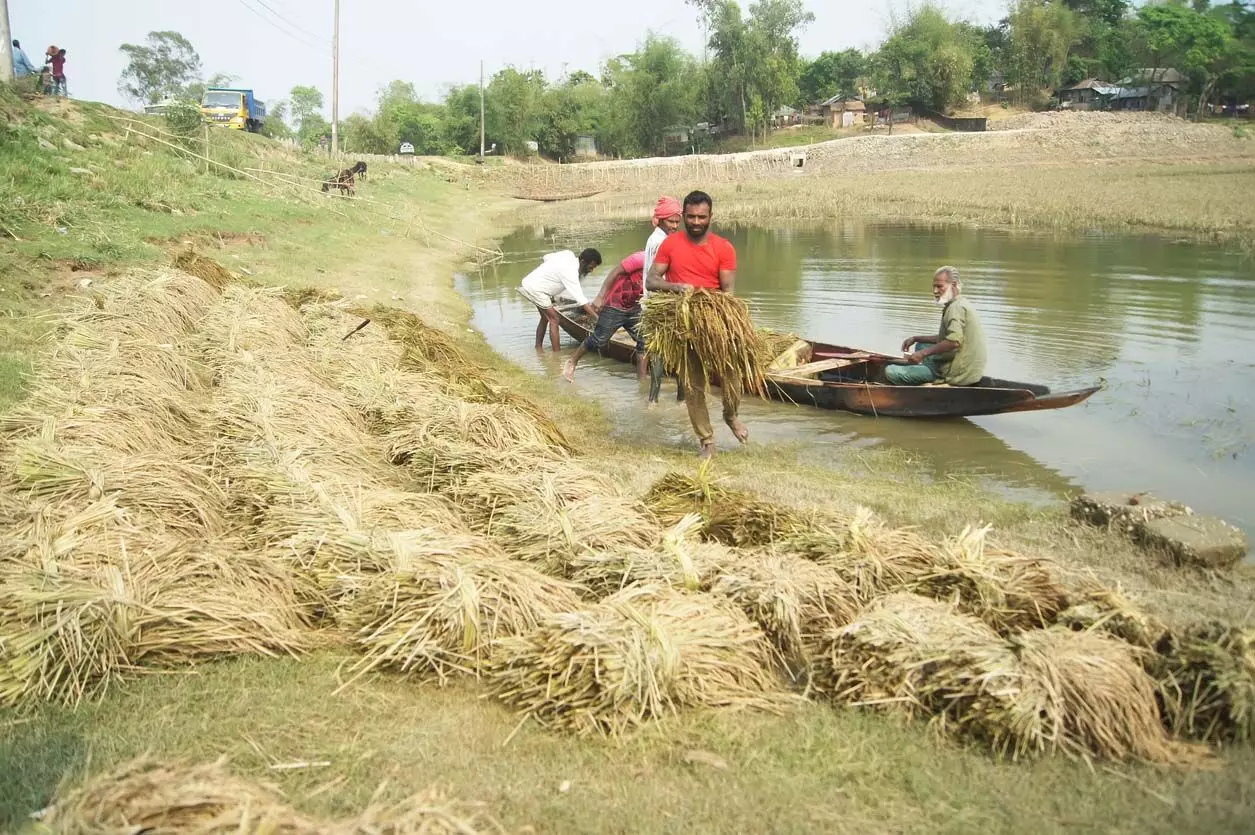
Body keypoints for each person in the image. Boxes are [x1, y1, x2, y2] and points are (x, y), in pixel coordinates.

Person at [646, 190, 747, 458]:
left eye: (701, 217)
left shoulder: (724, 248)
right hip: (682, 320)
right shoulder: (670, 244)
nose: (695, 222)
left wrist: (717, 319)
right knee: (693, 385)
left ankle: (731, 414)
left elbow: (728, 293)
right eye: (690, 217)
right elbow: (651, 281)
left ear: (710, 217)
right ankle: (707, 440)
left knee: (733, 375)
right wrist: (676, 287)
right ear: (683, 216)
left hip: (714, 319)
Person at [887, 265, 987, 386]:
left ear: (953, 285)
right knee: (921, 345)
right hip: (967, 367)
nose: (935, 291)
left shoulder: (955, 309)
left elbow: (954, 342)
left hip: (957, 373)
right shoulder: (961, 302)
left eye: (939, 286)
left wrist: (922, 354)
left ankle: (929, 380)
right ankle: (925, 371)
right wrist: (916, 338)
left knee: (890, 371)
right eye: (934, 286)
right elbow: (946, 337)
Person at [563, 250, 647, 382]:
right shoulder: (642, 258)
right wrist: (600, 297)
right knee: (598, 340)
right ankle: (572, 362)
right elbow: (615, 272)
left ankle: (642, 381)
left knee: (645, 342)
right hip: (615, 304)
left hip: (634, 306)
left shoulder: (662, 265)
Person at [643, 195, 684, 406]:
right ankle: (681, 399)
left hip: (654, 302)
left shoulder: (654, 238)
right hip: (663, 303)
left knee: (658, 351)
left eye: (678, 221)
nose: (675, 226)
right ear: (660, 220)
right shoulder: (662, 241)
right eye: (671, 221)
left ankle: (653, 401)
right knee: (679, 352)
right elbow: (662, 276)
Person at [518, 248, 602, 351]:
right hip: (536, 290)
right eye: (590, 267)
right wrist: (598, 320)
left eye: (594, 268)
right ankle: (556, 356)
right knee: (554, 319)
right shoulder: (570, 272)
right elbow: (581, 300)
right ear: (582, 261)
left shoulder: (568, 254)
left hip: (532, 284)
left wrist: (549, 274)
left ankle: (538, 348)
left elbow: (546, 257)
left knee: (545, 318)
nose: (591, 270)